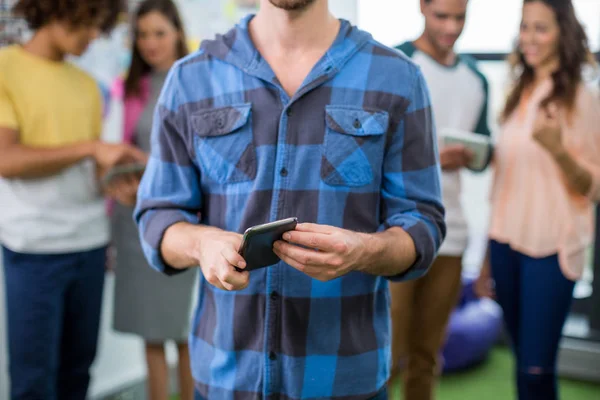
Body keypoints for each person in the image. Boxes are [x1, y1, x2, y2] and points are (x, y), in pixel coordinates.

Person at [133, 0, 446, 398]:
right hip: (227, 378)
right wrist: (202, 243)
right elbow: (157, 217)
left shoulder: (397, 78)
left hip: (346, 379)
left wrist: (364, 250)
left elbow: (422, 224)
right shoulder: (191, 78)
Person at [0, 0, 146, 399]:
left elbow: (93, 174)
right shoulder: (5, 69)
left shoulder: (86, 85)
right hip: (34, 250)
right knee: (34, 380)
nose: (95, 35)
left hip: (90, 245)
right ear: (59, 9)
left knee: (78, 374)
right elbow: (6, 160)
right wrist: (90, 147)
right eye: (90, 23)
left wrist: (119, 182)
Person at [476, 1, 600, 399]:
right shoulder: (517, 93)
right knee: (525, 365)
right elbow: (503, 179)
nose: (529, 38)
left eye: (541, 28)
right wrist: (485, 256)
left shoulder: (582, 97)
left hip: (551, 249)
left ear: (563, 32)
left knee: (534, 368)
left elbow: (595, 187)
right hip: (505, 244)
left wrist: (558, 149)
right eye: (525, 27)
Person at [388, 0, 491, 397]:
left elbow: (485, 156)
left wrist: (472, 156)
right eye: (441, 16)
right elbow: (370, 147)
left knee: (426, 355)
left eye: (460, 17)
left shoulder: (475, 79)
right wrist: (432, 158)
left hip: (452, 232)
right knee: (386, 351)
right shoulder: (395, 63)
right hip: (395, 229)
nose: (451, 27)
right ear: (422, 8)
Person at [107, 1, 195, 400]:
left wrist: (150, 164)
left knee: (187, 331)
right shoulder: (126, 87)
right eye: (142, 35)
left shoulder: (197, 81)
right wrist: (120, 180)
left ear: (177, 31)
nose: (150, 43)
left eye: (159, 33)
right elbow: (116, 153)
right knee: (150, 331)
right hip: (136, 222)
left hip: (187, 219)